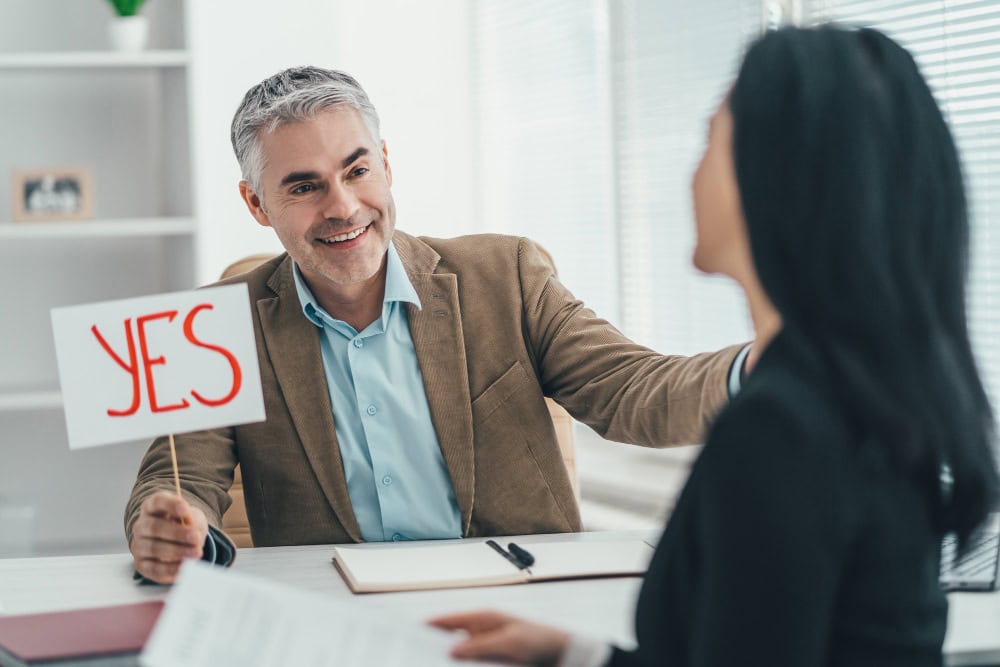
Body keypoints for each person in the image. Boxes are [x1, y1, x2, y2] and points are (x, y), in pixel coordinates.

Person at [430, 25, 1000, 666]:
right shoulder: (872, 401)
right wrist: (573, 654)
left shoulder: (780, 429)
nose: (691, 169)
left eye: (710, 138)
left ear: (770, 179)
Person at [124, 66, 758, 584]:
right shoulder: (212, 323)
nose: (343, 206)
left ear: (387, 164)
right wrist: (171, 530)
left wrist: (761, 367)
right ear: (256, 204)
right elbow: (176, 479)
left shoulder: (504, 275)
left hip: (518, 599)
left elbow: (632, 391)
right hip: (335, 618)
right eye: (303, 187)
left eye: (357, 170)